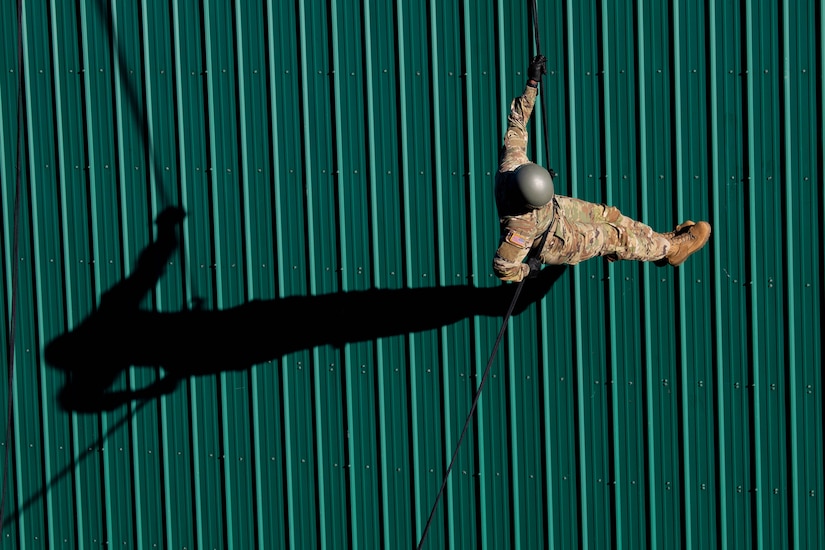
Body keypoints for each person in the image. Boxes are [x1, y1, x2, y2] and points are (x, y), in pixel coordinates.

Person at [493, 55, 711, 282]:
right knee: (613, 237)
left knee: (609, 215)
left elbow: (517, 119)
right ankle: (672, 249)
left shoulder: (512, 162)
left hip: (553, 209)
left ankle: (654, 242)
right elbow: (502, 267)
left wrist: (532, 83)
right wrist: (529, 270)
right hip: (556, 241)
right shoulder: (519, 228)